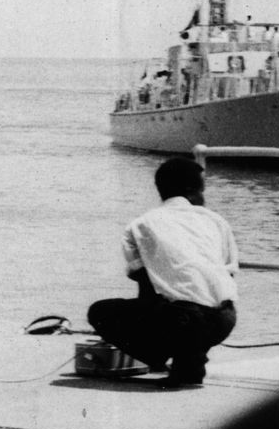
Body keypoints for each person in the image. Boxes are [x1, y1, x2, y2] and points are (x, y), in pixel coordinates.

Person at [88, 156, 238, 388]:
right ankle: (189, 361)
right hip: (225, 319)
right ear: (191, 191)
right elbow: (228, 276)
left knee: (99, 311)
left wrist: (147, 343)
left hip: (184, 322)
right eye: (202, 191)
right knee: (191, 309)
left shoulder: (141, 225)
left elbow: (146, 288)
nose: (203, 198)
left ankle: (169, 359)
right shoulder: (217, 221)